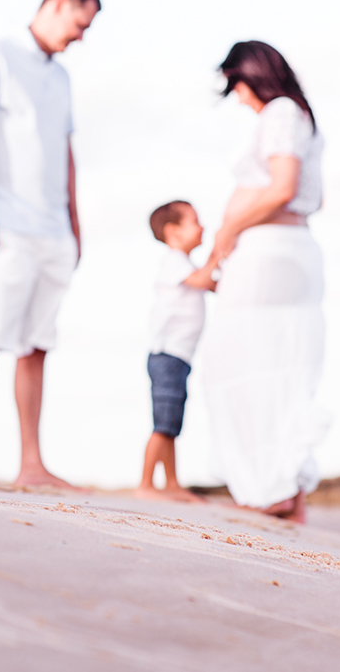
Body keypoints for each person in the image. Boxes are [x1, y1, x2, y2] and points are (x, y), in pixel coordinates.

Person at [0, 0, 100, 488]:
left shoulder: (61, 78)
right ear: (58, 6)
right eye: (80, 24)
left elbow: (65, 153)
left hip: (53, 231)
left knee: (37, 345)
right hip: (5, 226)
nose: (81, 36)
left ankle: (31, 464)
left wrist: (75, 225)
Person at [202, 40, 330, 523]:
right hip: (295, 252)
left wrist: (229, 228)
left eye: (236, 84)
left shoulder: (278, 112)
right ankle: (286, 489)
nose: (237, 97)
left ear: (252, 75)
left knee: (237, 360)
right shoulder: (301, 116)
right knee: (285, 363)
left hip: (269, 253)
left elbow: (283, 188)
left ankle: (265, 489)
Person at [136, 201, 215, 502]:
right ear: (173, 233)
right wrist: (219, 251)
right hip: (167, 354)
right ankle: (145, 483)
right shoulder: (175, 263)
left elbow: (211, 284)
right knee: (163, 423)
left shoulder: (185, 266)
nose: (203, 227)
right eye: (195, 221)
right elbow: (205, 280)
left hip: (179, 357)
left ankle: (171, 483)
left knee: (172, 422)